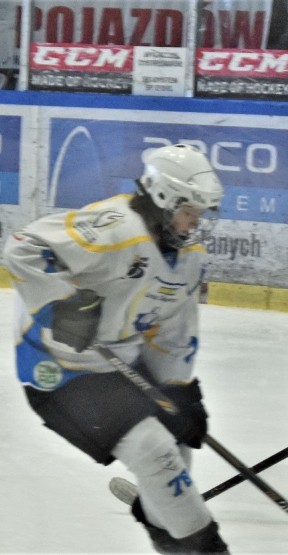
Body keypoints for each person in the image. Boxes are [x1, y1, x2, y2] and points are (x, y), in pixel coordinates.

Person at [3, 144, 229, 553]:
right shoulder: (114, 229)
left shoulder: (189, 255)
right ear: (163, 198)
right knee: (154, 452)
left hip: (121, 359)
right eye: (190, 210)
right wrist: (63, 302)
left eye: (201, 213)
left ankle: (169, 534)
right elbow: (23, 247)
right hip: (58, 366)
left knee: (178, 451)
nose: (196, 222)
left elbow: (174, 330)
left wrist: (179, 390)